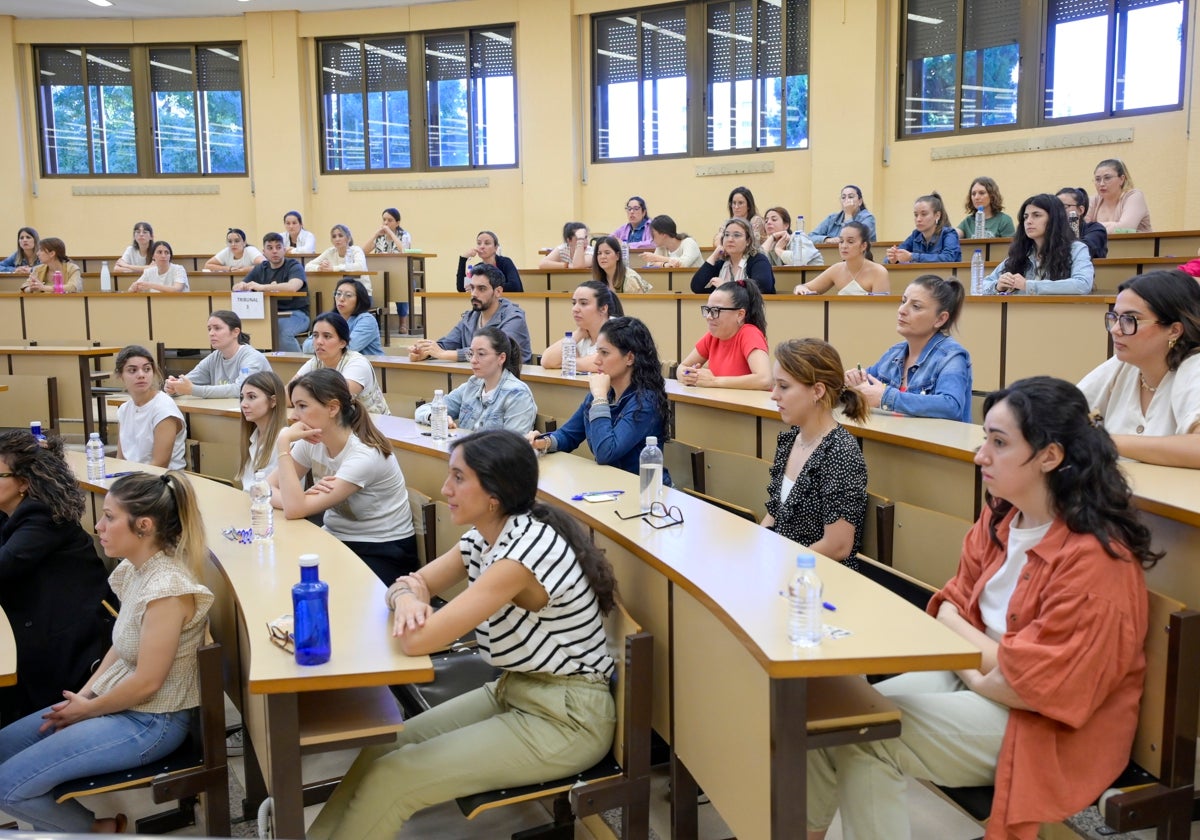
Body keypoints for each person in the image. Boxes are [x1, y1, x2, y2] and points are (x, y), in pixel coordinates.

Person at [806, 376, 1158, 840]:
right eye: (983, 439)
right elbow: (950, 604)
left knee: (870, 737)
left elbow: (1030, 689)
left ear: (1050, 457)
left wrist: (977, 657)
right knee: (825, 717)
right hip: (980, 676)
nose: (980, 456)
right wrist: (984, 663)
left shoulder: (1095, 559)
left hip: (1048, 727)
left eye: (998, 442)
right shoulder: (1001, 517)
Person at [307, 429, 616, 840]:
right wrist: (408, 599)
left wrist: (411, 601)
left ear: (495, 493)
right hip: (516, 689)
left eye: (457, 478)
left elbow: (417, 640)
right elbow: (412, 582)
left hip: (568, 718)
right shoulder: (487, 534)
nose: (444, 488)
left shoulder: (519, 556)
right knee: (381, 747)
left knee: (395, 777)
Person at [0, 470, 214, 834]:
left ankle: (95, 830)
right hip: (120, 704)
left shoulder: (167, 590)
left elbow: (148, 682)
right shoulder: (136, 569)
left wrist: (89, 709)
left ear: (143, 525)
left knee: (7, 788)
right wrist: (83, 696)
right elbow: (122, 642)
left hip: (151, 722)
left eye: (109, 517)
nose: (98, 525)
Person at [0, 431, 112, 726]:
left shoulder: (42, 516)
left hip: (67, 642)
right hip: (38, 619)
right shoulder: (8, 511)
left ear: (23, 483)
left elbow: (4, 565)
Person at [268, 368, 416, 584]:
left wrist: (283, 444)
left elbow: (294, 510)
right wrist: (299, 500)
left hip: (382, 551)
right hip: (336, 539)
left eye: (302, 406)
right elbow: (263, 489)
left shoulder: (364, 455)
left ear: (333, 408)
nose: (293, 416)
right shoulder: (312, 443)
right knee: (280, 570)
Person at [763, 339, 869, 569]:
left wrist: (781, 567)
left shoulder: (841, 452)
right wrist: (756, 552)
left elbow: (837, 546)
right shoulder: (790, 439)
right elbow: (774, 515)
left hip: (817, 578)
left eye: (783, 386)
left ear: (817, 391)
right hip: (785, 568)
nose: (774, 395)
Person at [1078, 270, 1200, 468]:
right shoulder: (1121, 365)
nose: (1116, 329)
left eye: (1130, 320)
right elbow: (1064, 413)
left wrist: (1103, 440)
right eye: (1114, 318)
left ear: (1174, 330)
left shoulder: (1195, 367)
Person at [529, 317, 671, 482]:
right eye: (597, 351)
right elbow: (569, 435)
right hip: (612, 485)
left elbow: (606, 452)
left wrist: (600, 399)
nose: (596, 360)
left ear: (630, 358)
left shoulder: (645, 401)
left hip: (645, 492)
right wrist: (543, 442)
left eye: (604, 353)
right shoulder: (604, 392)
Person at [844, 275, 972, 422]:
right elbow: (867, 383)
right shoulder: (894, 353)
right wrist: (852, 381)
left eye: (916, 306)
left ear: (940, 319)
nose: (902, 310)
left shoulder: (951, 356)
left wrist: (885, 397)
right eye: (903, 301)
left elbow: (951, 406)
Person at [414, 328, 536, 433]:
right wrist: (434, 417)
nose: (473, 360)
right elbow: (423, 410)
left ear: (501, 358)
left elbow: (513, 446)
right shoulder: (472, 385)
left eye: (481, 354)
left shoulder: (518, 395)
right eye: (471, 354)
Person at [410, 263, 533, 363]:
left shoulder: (514, 317)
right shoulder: (470, 317)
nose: (474, 294)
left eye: (481, 289)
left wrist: (444, 354)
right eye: (472, 288)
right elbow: (447, 344)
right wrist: (425, 352)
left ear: (498, 292)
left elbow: (493, 351)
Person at [982, 194, 1094, 295]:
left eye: (1036, 215)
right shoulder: (1022, 252)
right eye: (1026, 217)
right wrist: (997, 286)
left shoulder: (1076, 249)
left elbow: (1083, 285)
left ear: (1053, 219)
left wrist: (1029, 286)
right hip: (1019, 314)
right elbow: (981, 286)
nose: (1028, 221)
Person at [677, 279, 772, 390]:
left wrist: (714, 381)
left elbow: (764, 380)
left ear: (740, 314)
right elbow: (682, 367)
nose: (708, 316)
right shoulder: (712, 337)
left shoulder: (750, 333)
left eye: (716, 310)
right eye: (707, 310)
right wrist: (686, 375)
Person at [294, 312, 390, 415]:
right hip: (336, 425)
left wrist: (302, 400)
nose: (319, 342)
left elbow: (334, 401)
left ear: (342, 343)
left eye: (327, 336)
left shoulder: (357, 363)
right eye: (315, 335)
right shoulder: (316, 362)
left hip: (374, 426)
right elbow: (290, 392)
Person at [164, 310, 270, 399]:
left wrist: (193, 390)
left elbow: (241, 389)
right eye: (209, 329)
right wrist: (174, 387)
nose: (211, 333)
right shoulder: (214, 357)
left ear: (235, 332)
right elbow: (188, 382)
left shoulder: (252, 357)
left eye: (217, 328)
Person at [233, 232, 310, 353]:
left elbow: (292, 287)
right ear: (264, 251)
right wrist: (241, 286)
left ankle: (299, 366)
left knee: (279, 330)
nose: (274, 251)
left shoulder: (294, 265)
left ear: (284, 250)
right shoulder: (260, 268)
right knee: (248, 327)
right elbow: (237, 286)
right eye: (270, 248)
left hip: (296, 314)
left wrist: (263, 287)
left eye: (278, 247)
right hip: (268, 314)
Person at [115, 345, 187, 470]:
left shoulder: (163, 409)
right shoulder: (124, 410)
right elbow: (120, 459)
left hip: (162, 482)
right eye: (132, 370)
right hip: (132, 479)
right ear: (121, 376)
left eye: (147, 369)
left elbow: (159, 466)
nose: (141, 375)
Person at [540, 280, 623, 372]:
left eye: (583, 303)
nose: (575, 309)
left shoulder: (619, 330)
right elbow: (546, 361)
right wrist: (577, 335)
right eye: (574, 303)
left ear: (603, 308)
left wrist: (566, 362)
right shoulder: (582, 332)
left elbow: (603, 363)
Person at [793, 221, 888, 295]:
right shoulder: (836, 269)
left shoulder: (879, 272)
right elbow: (804, 287)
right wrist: (801, 289)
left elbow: (881, 310)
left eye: (850, 242)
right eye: (841, 241)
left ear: (863, 246)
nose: (844, 246)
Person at [690, 217, 776, 295]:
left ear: (748, 241)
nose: (730, 239)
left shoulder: (758, 260)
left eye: (737, 235)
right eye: (726, 235)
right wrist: (713, 256)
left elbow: (763, 286)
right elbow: (696, 287)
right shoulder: (721, 263)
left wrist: (727, 286)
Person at [236, 370, 288, 491]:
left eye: (252, 397)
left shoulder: (284, 440)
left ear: (273, 401)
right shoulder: (253, 436)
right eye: (242, 397)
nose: (243, 404)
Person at [302, 278, 382, 356]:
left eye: (348, 295)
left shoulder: (367, 320)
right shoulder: (329, 319)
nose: (341, 299)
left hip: (370, 366)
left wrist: (322, 345)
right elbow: (306, 346)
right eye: (338, 294)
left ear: (359, 299)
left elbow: (350, 347)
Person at [887, 193, 962, 264]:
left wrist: (912, 256)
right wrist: (893, 259)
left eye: (924, 214)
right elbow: (887, 259)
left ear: (937, 215)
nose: (918, 219)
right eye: (916, 215)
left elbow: (948, 258)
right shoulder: (915, 235)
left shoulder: (948, 233)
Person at [1086, 159, 1151, 233]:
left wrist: (1091, 227)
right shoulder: (1093, 200)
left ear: (1122, 179)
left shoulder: (1134, 196)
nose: (1101, 184)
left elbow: (1125, 229)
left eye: (1107, 178)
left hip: (1136, 244)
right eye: (1097, 179)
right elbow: (1080, 229)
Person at [307, 224, 371, 297]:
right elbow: (307, 266)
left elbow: (360, 267)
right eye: (334, 236)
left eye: (340, 235)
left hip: (361, 295)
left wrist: (334, 269)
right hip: (340, 296)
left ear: (348, 238)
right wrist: (319, 268)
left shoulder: (356, 250)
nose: (337, 239)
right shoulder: (330, 252)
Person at [454, 230, 523, 294]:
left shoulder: (505, 262)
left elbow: (514, 286)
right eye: (479, 243)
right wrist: (463, 259)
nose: (482, 246)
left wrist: (483, 287)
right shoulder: (478, 267)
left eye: (487, 243)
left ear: (496, 248)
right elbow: (462, 289)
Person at [810, 185, 878, 244]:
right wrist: (827, 240)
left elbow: (852, 239)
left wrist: (848, 214)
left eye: (851, 197)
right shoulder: (832, 218)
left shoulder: (868, 218)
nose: (847, 200)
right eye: (843, 197)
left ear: (860, 201)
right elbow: (810, 237)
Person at [1056, 187, 1108, 259]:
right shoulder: (1051, 231)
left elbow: (1082, 249)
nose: (1059, 211)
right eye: (1056, 207)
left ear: (1080, 210)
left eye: (1065, 207)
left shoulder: (1096, 229)